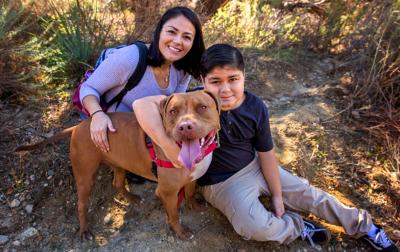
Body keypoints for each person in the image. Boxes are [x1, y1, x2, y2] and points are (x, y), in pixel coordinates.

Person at [132, 44, 399, 251]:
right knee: (253, 225)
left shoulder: (255, 106)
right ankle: (296, 226)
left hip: (256, 166)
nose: (225, 89)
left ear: (244, 76)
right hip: (222, 183)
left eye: (233, 79)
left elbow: (266, 153)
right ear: (203, 80)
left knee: (309, 194)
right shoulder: (194, 102)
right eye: (215, 81)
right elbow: (143, 105)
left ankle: (365, 226)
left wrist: (278, 195)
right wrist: (168, 144)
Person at [79, 6, 205, 183]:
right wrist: (97, 115)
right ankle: (127, 164)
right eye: (172, 32)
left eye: (187, 37)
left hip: (147, 124)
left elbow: (174, 106)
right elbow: (89, 88)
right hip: (117, 126)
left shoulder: (182, 69)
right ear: (159, 31)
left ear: (193, 44)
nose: (178, 41)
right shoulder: (130, 58)